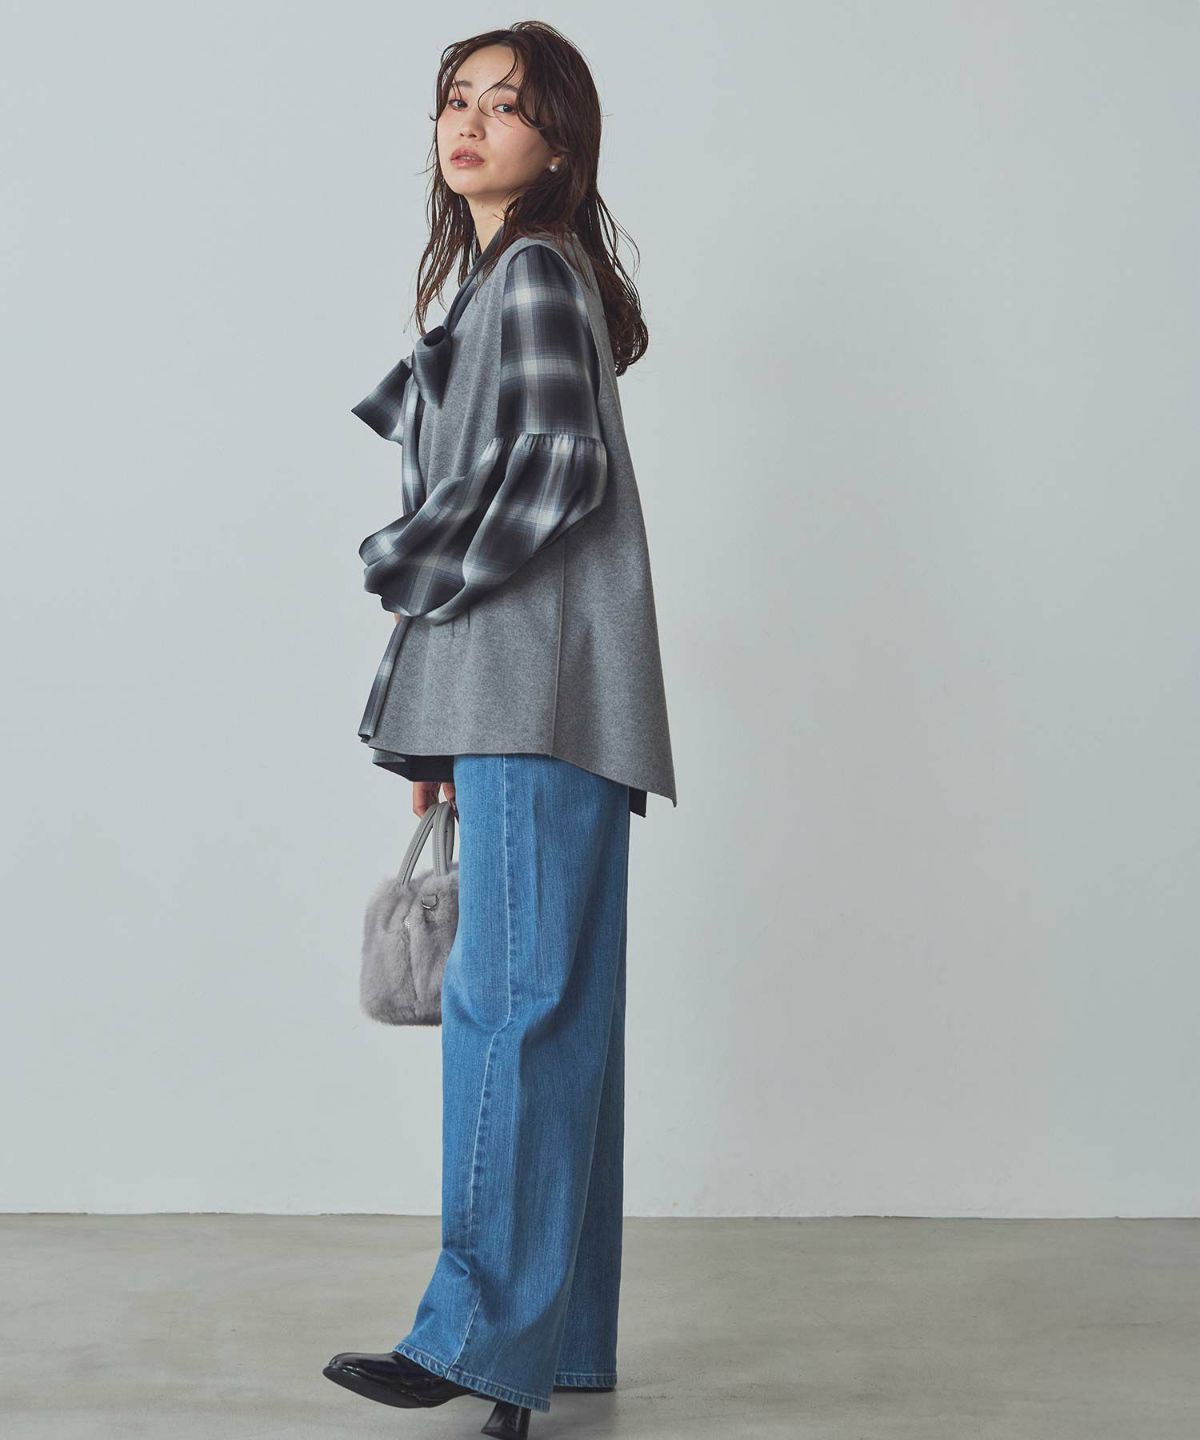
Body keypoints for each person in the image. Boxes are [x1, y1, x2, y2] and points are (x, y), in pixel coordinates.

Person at [324, 22, 676, 1436]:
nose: (469, 123)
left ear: (558, 141)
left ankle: (473, 1340)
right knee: (560, 1018)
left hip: (533, 697)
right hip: (544, 702)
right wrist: (435, 733)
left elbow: (555, 468)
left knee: (510, 1017)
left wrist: (398, 558)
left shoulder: (528, 271)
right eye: (455, 99)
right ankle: (556, 1348)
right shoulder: (520, 273)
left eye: (507, 105)